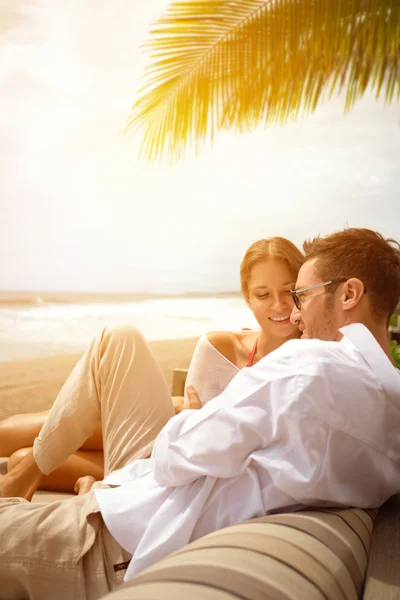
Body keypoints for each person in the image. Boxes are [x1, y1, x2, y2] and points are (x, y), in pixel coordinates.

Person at [1, 228, 400, 600]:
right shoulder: (390, 404)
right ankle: (43, 474)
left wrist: (192, 415)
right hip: (149, 502)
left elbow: (173, 457)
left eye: (302, 295)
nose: (295, 314)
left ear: (349, 294)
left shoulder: (305, 367)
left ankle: (40, 478)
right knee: (118, 339)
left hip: (123, 538)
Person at [0, 237, 304, 493]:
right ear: (247, 298)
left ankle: (87, 486)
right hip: (159, 426)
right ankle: (82, 484)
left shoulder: (315, 361)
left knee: (20, 458)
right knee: (18, 434)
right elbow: (186, 415)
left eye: (289, 292)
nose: (278, 305)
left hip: (169, 459)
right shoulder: (219, 347)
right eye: (263, 294)